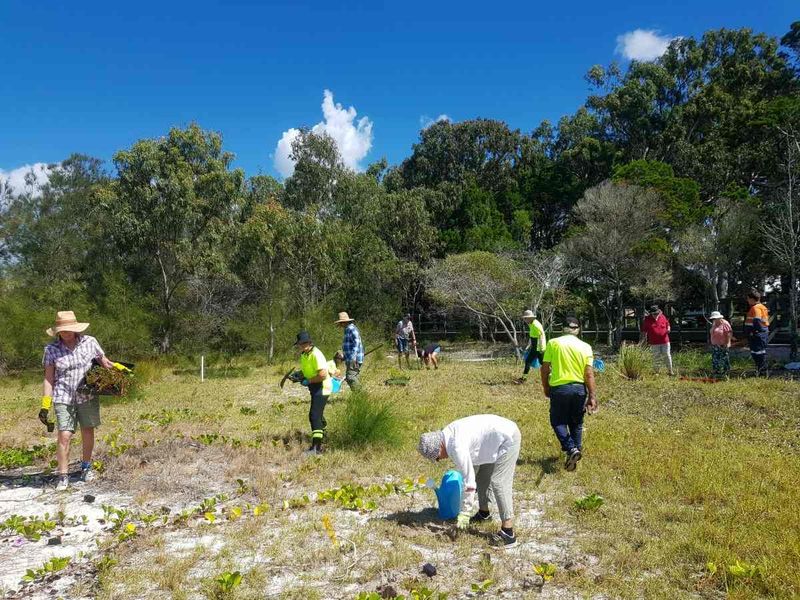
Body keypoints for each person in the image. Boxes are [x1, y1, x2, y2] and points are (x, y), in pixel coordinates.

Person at [41, 311, 123, 491]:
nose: (66, 332)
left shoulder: (90, 342)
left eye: (69, 329)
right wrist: (45, 404)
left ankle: (86, 467)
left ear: (76, 328)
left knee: (87, 430)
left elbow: (104, 362)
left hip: (87, 395)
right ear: (57, 331)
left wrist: (120, 372)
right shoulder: (51, 350)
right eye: (62, 330)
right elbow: (48, 379)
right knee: (64, 435)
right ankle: (63, 475)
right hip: (63, 396)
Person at [418, 414, 521, 548]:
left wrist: (465, 511)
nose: (440, 460)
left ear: (439, 449)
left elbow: (469, 480)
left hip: (508, 437)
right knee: (482, 476)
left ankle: (508, 533)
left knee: (499, 482)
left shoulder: (456, 446)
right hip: (492, 439)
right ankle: (484, 513)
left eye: (437, 458)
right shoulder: (447, 434)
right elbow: (472, 471)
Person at [541, 317, 597, 471]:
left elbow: (545, 368)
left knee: (557, 421)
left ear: (563, 328)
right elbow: (589, 374)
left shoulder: (553, 343)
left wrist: (546, 386)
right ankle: (574, 453)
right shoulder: (585, 346)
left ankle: (571, 449)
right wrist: (592, 396)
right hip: (579, 389)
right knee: (576, 423)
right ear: (578, 329)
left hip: (559, 389)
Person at [294, 331, 332, 455]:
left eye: (305, 342)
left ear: (310, 342)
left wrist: (308, 381)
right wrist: (299, 375)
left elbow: (322, 374)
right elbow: (308, 371)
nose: (303, 345)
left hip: (322, 386)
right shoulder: (304, 355)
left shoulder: (316, 354)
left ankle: (316, 449)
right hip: (314, 387)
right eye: (301, 343)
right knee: (318, 415)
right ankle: (323, 434)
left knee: (314, 416)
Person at [515, 310, 546, 384]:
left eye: (526, 318)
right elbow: (532, 336)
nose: (525, 320)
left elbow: (541, 336)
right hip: (535, 346)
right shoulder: (531, 324)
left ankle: (523, 379)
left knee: (530, 361)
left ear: (531, 318)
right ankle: (523, 378)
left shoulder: (536, 325)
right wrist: (528, 346)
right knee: (541, 363)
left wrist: (541, 348)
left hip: (538, 348)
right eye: (525, 318)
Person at [335, 312, 364, 390]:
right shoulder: (347, 329)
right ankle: (359, 397)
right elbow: (349, 345)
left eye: (341, 323)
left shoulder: (351, 328)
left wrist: (353, 356)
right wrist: (344, 356)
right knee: (354, 376)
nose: (340, 325)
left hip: (353, 359)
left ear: (344, 322)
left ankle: (359, 394)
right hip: (350, 358)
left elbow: (357, 341)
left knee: (350, 377)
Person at [641, 305, 673, 375]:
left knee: (667, 355)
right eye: (654, 314)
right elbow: (644, 331)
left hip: (665, 341)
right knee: (656, 357)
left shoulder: (663, 317)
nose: (656, 315)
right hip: (654, 342)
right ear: (651, 313)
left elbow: (668, 324)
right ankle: (656, 372)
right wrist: (644, 342)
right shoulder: (647, 320)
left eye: (657, 313)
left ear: (659, 312)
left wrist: (668, 328)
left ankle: (670, 371)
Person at [745, 289, 770, 376]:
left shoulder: (756, 308)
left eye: (748, 299)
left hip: (757, 334)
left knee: (758, 353)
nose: (747, 301)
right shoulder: (763, 307)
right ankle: (760, 371)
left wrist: (754, 331)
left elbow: (757, 320)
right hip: (761, 333)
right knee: (759, 352)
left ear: (752, 299)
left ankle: (762, 373)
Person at [708, 311, 732, 378]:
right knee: (715, 358)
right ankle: (716, 371)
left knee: (724, 358)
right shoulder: (714, 323)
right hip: (715, 345)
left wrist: (728, 343)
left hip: (723, 344)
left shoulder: (725, 323)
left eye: (715, 318)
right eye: (713, 319)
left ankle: (726, 372)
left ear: (719, 317)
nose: (714, 320)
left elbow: (729, 334)